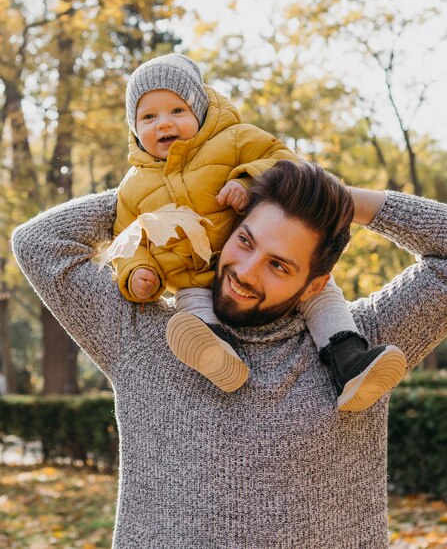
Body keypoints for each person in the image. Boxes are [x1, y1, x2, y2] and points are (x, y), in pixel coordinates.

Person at [12, 159, 447, 548]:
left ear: (315, 285)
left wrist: (345, 202)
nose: (244, 271)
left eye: (279, 265)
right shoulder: (144, 337)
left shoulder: (358, 350)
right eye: (245, 241)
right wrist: (178, 188)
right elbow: (40, 243)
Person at [106, 52, 405, 407]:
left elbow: (286, 162)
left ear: (200, 110)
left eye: (177, 111)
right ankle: (217, 355)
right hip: (193, 275)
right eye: (148, 117)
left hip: (266, 248)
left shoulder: (234, 139)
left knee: (320, 294)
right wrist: (138, 272)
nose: (163, 124)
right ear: (133, 128)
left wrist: (247, 180)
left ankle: (350, 359)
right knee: (193, 312)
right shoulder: (133, 187)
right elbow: (127, 238)